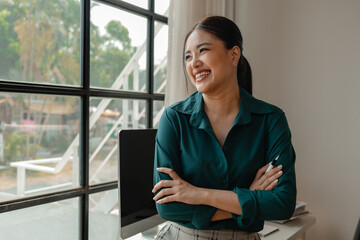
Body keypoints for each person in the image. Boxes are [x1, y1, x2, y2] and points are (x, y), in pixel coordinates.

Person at [152, 16, 296, 240]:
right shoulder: (173, 118)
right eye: (188, 56)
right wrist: (248, 198)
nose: (194, 63)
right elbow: (167, 207)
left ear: (234, 54)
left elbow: (283, 203)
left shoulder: (271, 119)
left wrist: (197, 194)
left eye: (203, 50)